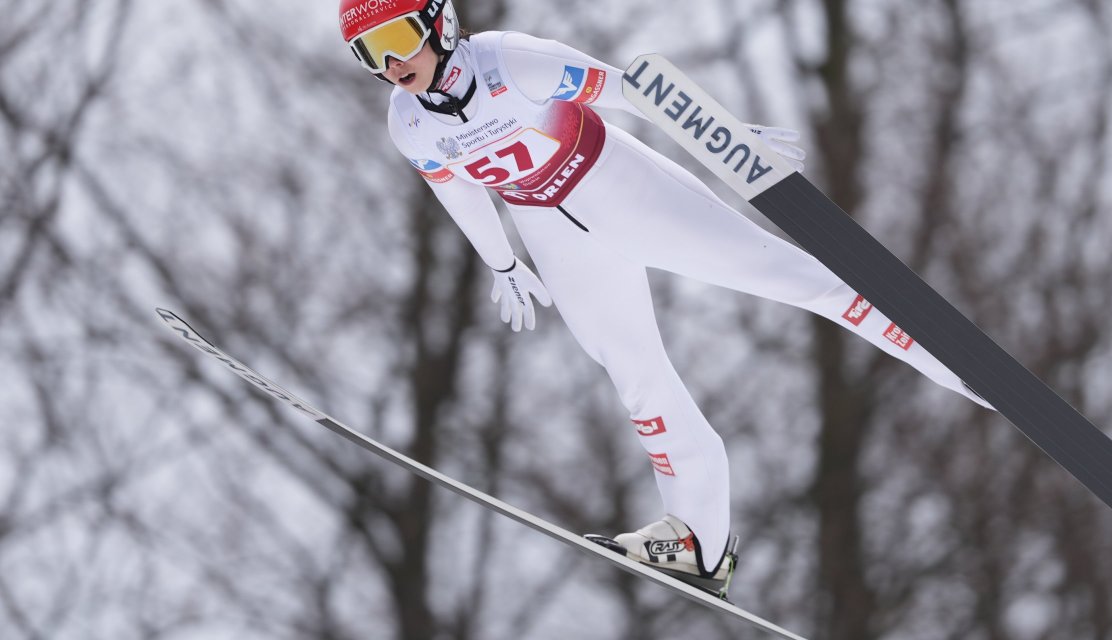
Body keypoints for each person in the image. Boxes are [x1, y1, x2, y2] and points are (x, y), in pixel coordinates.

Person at [339, 0, 991, 595]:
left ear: (439, 22)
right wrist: (503, 263)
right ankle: (699, 539)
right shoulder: (410, 124)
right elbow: (455, 190)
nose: (392, 64)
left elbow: (629, 89)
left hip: (614, 186)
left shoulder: (510, 62)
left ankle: (959, 364)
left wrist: (727, 135)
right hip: (551, 229)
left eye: (397, 38)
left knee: (788, 277)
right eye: (370, 53)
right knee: (632, 372)